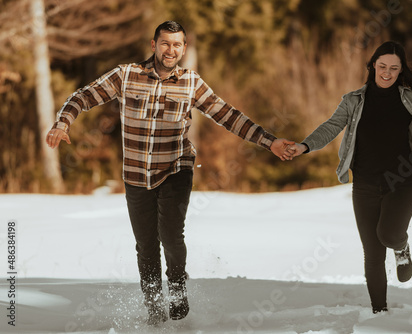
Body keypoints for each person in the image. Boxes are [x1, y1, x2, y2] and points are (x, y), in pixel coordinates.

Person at [46, 21, 294, 324]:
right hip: (136, 174)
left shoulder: (191, 82)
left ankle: (177, 288)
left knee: (171, 235)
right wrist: (63, 121)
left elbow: (227, 114)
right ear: (154, 45)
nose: (171, 50)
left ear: (184, 48)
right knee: (146, 246)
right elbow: (85, 95)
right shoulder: (126, 75)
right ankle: (154, 310)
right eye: (165, 43)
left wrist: (269, 141)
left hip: (176, 168)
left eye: (177, 45)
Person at [286, 41, 412, 314]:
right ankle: (380, 312)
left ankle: (401, 248)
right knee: (373, 252)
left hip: (401, 183)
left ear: (400, 70)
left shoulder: (410, 98)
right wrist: (304, 146)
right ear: (372, 67)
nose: (387, 73)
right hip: (365, 185)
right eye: (382, 66)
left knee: (389, 234)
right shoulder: (353, 101)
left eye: (393, 68)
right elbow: (331, 127)